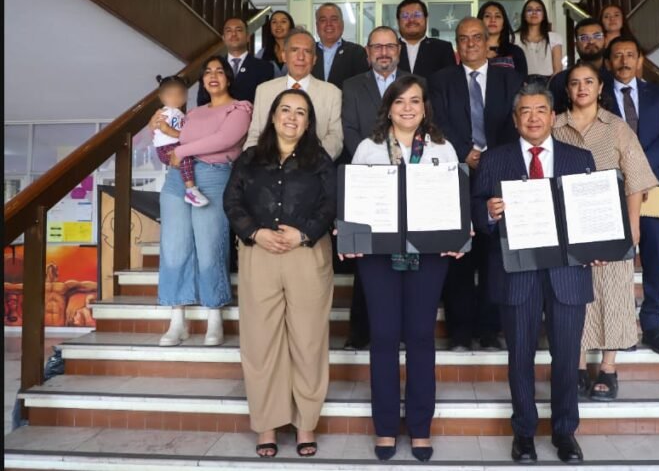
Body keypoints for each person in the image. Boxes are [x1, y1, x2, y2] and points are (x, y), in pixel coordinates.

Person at [343, 74, 466, 463]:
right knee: (382, 336)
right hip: (378, 257)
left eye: (415, 100)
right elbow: (354, 198)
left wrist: (461, 234)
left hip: (428, 255)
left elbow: (456, 199)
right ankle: (384, 426)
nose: (408, 108)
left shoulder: (443, 148)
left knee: (420, 336)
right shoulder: (369, 147)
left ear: (425, 107)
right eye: (400, 101)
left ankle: (419, 426)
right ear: (389, 108)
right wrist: (349, 236)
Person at [473, 82, 597, 464]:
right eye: (525, 111)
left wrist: (598, 246)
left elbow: (593, 213)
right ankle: (524, 433)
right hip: (517, 273)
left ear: (553, 116)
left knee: (567, 357)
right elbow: (475, 209)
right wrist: (488, 213)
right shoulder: (495, 159)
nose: (533, 118)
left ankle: (565, 432)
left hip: (567, 273)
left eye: (540, 110)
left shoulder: (580, 158)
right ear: (515, 119)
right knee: (520, 356)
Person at [223, 88, 336, 459]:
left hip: (306, 253)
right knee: (261, 341)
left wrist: (303, 233)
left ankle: (306, 424)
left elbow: (331, 204)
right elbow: (232, 201)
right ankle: (267, 425)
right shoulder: (250, 158)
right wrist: (255, 232)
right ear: (272, 117)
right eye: (285, 110)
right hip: (259, 253)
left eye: (300, 112)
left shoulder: (320, 160)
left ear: (308, 122)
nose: (292, 117)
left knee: (308, 341)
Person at [553, 60, 658, 402]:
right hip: (568, 226)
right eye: (575, 82)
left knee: (613, 293)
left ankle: (609, 368)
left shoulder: (617, 127)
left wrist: (633, 225)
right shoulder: (555, 126)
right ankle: (578, 366)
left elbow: (636, 179)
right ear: (567, 90)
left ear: (600, 88)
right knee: (574, 295)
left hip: (610, 224)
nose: (581, 88)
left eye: (589, 82)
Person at [429, 17, 524, 351]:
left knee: (493, 257)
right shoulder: (441, 80)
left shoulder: (510, 79)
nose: (470, 43)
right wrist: (463, 152)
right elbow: (436, 121)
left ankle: (488, 330)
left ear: (487, 42)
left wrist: (491, 159)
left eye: (476, 37)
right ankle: (459, 332)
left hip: (498, 177)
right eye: (463, 38)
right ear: (457, 44)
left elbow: (516, 123)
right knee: (459, 257)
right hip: (455, 176)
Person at [150, 55, 253, 347]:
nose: (213, 75)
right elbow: (172, 139)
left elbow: (224, 140)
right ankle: (177, 320)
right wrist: (155, 127)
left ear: (228, 78)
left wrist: (182, 150)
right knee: (174, 248)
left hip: (213, 175)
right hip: (176, 179)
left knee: (210, 247)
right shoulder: (192, 114)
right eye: (207, 71)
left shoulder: (240, 108)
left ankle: (214, 316)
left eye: (219, 71)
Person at [605, 36, 659, 355]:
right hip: (613, 185)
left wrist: (639, 167)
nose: (624, 61)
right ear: (608, 62)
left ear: (639, 60)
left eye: (630, 55)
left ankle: (652, 325)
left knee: (653, 256)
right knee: (617, 259)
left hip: (655, 185)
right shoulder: (599, 94)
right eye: (617, 56)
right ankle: (622, 326)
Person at [340, 25, 410, 350]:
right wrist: (372, 160)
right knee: (368, 259)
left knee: (404, 259)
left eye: (389, 46)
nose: (384, 52)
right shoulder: (352, 85)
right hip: (367, 181)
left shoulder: (413, 83)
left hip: (408, 182)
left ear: (399, 50)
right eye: (377, 47)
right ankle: (360, 333)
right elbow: (349, 129)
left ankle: (401, 332)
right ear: (367, 52)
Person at [244, 28, 343, 161]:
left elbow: (335, 138)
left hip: (313, 165)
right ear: (284, 56)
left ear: (314, 59)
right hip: (268, 166)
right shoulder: (264, 90)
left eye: (307, 51)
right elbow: (255, 134)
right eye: (294, 50)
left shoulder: (332, 93)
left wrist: (310, 161)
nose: (301, 57)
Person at [152, 74, 209, 207]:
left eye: (179, 95)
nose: (175, 98)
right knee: (185, 157)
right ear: (161, 97)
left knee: (191, 155)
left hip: (175, 143)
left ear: (185, 96)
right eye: (170, 95)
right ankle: (191, 190)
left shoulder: (180, 113)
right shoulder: (166, 112)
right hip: (165, 147)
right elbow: (165, 129)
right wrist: (185, 136)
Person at [197, 16, 274, 106]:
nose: (233, 34)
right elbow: (202, 101)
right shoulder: (211, 67)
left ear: (248, 37)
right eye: (229, 31)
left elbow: (266, 104)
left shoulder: (264, 67)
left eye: (239, 30)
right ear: (223, 38)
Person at [548, 17, 613, 114]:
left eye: (597, 36)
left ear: (606, 40)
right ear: (576, 44)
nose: (591, 41)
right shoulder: (560, 80)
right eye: (584, 38)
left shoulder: (615, 77)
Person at [311, 2, 369, 89]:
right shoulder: (309, 51)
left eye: (334, 19)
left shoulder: (357, 52)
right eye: (323, 20)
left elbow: (361, 86)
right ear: (317, 26)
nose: (329, 24)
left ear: (342, 24)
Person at [395, 0, 456, 78]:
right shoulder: (388, 49)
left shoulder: (443, 49)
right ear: (398, 21)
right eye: (405, 16)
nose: (411, 20)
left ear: (426, 19)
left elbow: (451, 81)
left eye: (417, 15)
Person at [516, 0, 563, 84]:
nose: (534, 13)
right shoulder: (514, 38)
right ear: (524, 15)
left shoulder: (554, 37)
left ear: (544, 15)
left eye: (538, 10)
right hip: (521, 84)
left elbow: (558, 70)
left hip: (548, 84)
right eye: (529, 10)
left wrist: (550, 87)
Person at [477, 0, 527, 77]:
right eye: (487, 16)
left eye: (497, 16)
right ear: (480, 21)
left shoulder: (516, 52)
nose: (492, 20)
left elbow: (522, 81)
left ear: (503, 24)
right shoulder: (472, 51)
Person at [257, 10, 295, 78]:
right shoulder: (261, 53)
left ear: (290, 26)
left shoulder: (299, 50)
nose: (278, 25)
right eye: (274, 22)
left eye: (283, 21)